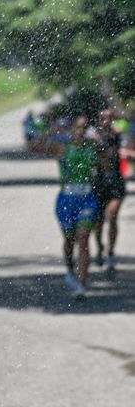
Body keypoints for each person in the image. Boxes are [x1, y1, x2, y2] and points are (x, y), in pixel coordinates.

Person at [55, 117, 98, 299]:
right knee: (69, 240)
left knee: (83, 237)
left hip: (87, 199)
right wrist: (49, 134)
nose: (81, 131)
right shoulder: (62, 147)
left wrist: (102, 143)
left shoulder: (93, 148)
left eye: (84, 128)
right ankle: (70, 269)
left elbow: (109, 162)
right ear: (71, 129)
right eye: (77, 127)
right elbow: (36, 147)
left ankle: (81, 284)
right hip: (66, 200)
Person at [93, 109, 126, 271]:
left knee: (111, 216)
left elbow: (127, 147)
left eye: (108, 118)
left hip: (116, 183)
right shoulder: (93, 137)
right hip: (99, 184)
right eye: (102, 118)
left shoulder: (118, 136)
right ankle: (100, 248)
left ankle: (111, 251)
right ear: (98, 120)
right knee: (98, 221)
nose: (105, 120)